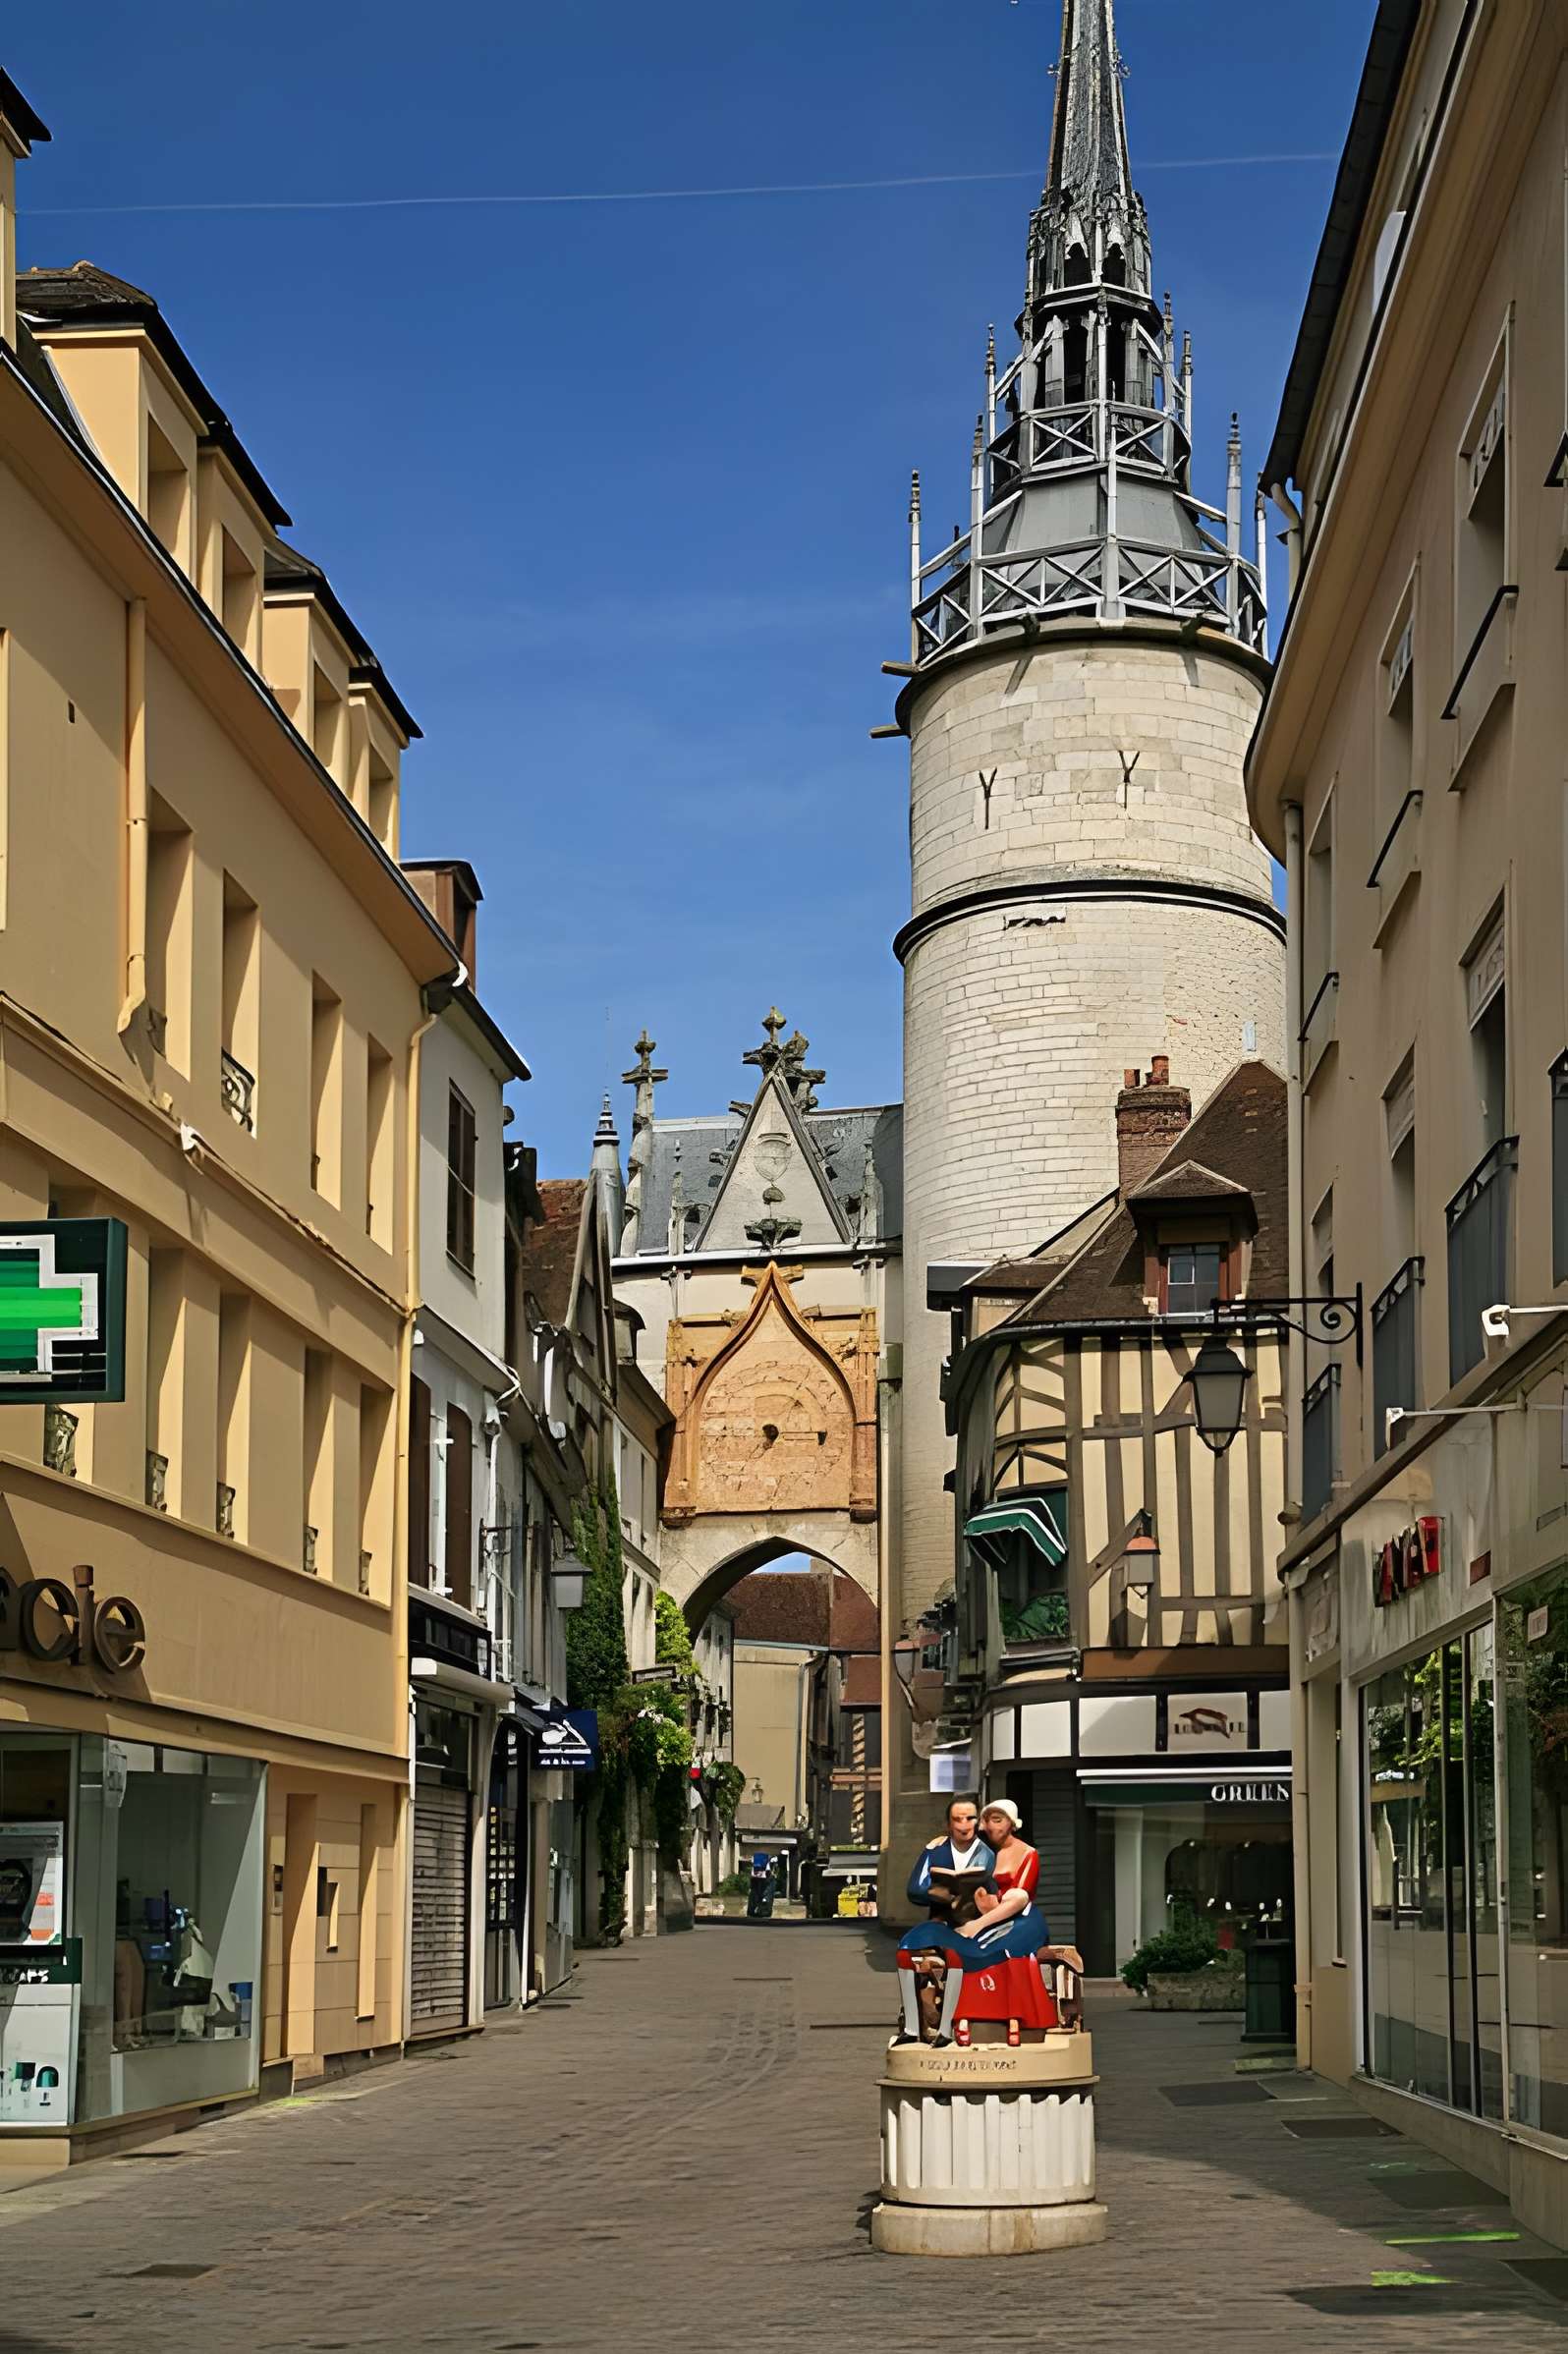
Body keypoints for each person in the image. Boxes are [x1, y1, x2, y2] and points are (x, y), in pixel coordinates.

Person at [947, 1798, 1056, 2046]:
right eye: (989, 1821)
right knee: (971, 1949)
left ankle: (1016, 2018)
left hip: (1023, 1920)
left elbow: (1020, 1895)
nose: (992, 1827)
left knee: (1006, 1950)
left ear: (1012, 1824)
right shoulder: (986, 1856)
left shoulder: (1028, 1853)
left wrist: (985, 1916)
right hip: (992, 1917)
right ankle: (966, 2016)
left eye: (999, 1820)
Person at [893, 1797, 997, 2046]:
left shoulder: (987, 1854)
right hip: (940, 1922)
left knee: (956, 1956)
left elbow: (996, 1890)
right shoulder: (935, 1850)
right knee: (905, 1951)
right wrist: (935, 1893)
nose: (964, 1824)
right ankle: (912, 2027)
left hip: (973, 1924)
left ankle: (946, 2029)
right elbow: (914, 1889)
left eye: (970, 1818)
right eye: (957, 1819)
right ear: (948, 1823)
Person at [746, 1853, 774, 1921]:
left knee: (755, 1893)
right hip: (763, 1875)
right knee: (764, 1893)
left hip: (758, 1874)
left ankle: (753, 1911)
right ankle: (763, 1911)